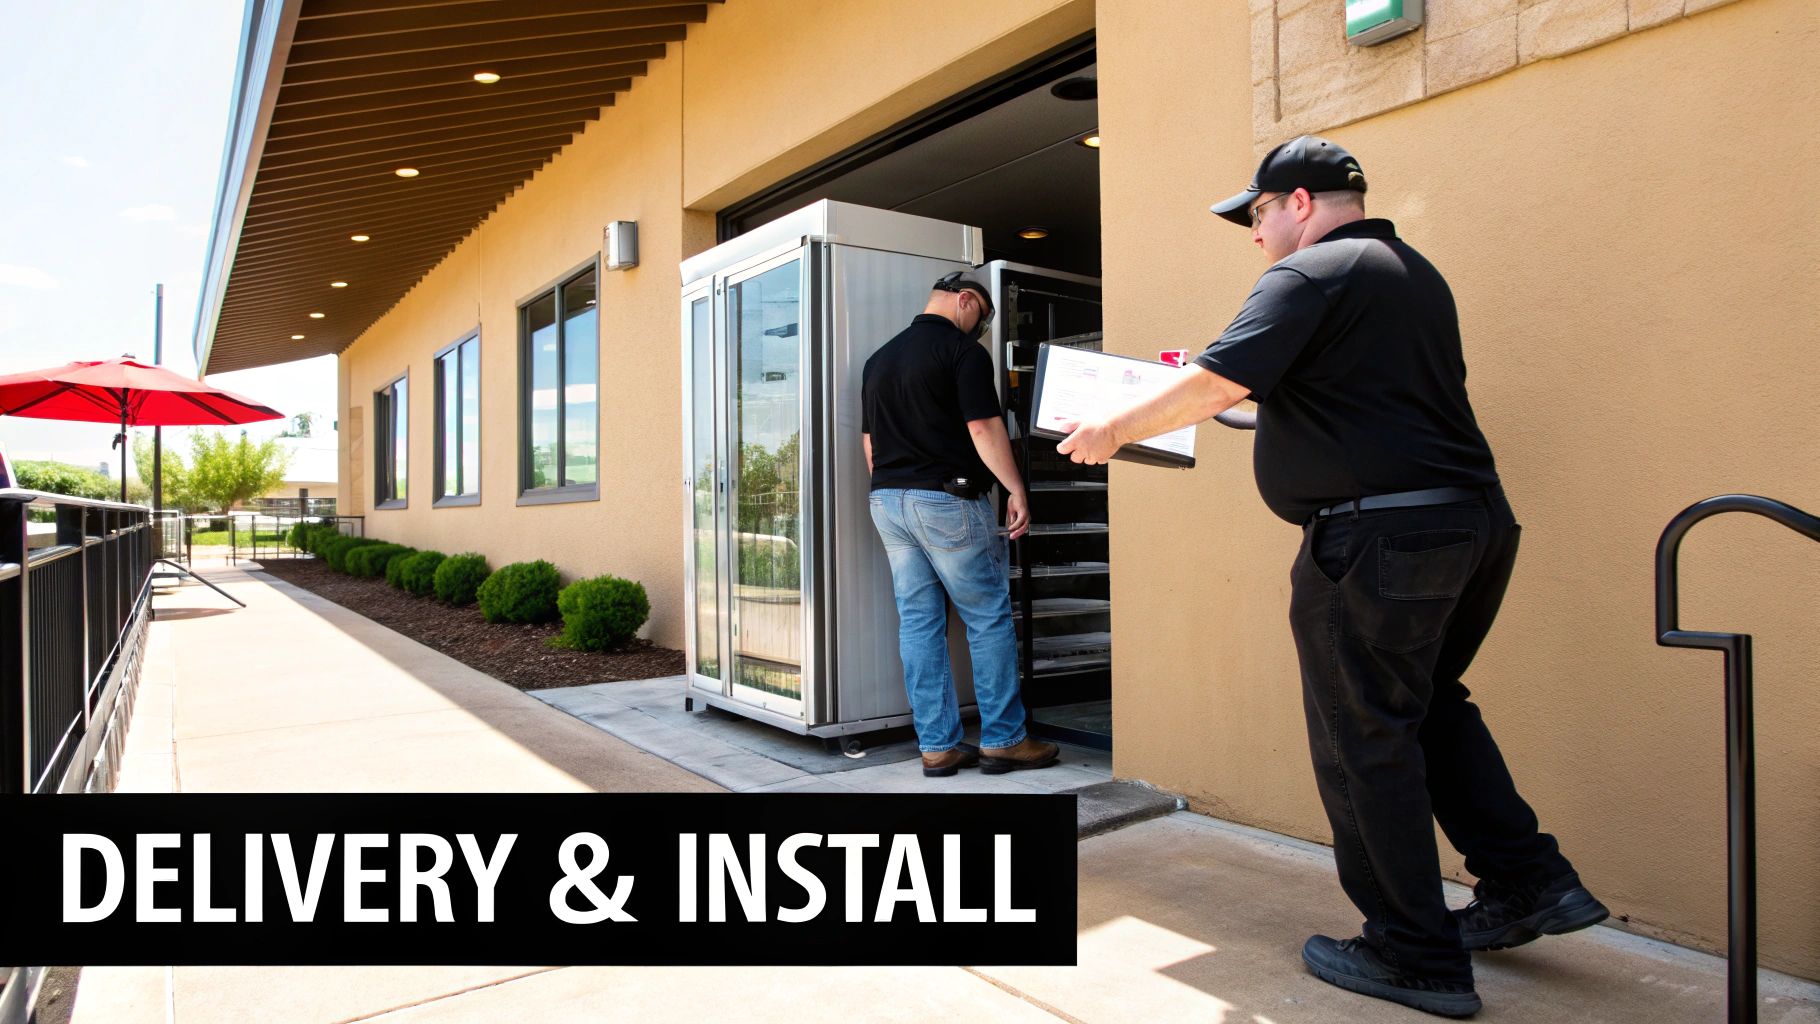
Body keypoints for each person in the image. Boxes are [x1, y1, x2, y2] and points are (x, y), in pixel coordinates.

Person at [1056, 136, 1606, 1018]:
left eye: (1258, 213)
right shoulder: (1407, 273)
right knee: (1424, 708)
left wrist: (1112, 427)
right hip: (1466, 522)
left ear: (1300, 202)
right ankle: (1527, 881)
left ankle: (1412, 952)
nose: (1254, 233)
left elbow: (1216, 382)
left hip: (1375, 542)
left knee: (1362, 737)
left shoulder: (1307, 276)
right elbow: (1333, 401)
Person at [862, 271, 1061, 778]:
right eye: (983, 320)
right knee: (987, 617)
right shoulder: (962, 353)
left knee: (920, 623)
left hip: (887, 499)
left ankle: (937, 746)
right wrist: (1016, 488)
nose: (981, 332)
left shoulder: (878, 359)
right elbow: (983, 426)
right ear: (966, 301)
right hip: (947, 499)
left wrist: (897, 491)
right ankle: (1004, 740)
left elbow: (869, 444)